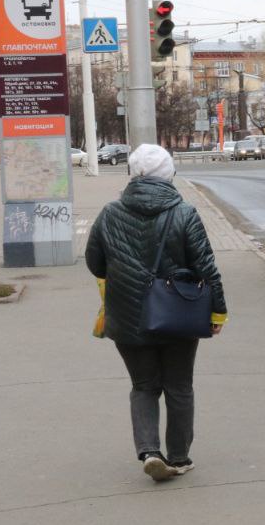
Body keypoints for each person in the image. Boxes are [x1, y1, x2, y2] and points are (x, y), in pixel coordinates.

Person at [86, 144, 228, 482]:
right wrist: (217, 312)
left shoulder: (110, 212)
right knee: (179, 385)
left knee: (144, 386)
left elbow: (95, 262)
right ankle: (178, 458)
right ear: (169, 173)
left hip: (127, 315)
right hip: (178, 315)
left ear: (132, 173)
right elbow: (207, 268)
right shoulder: (184, 212)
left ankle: (150, 452)